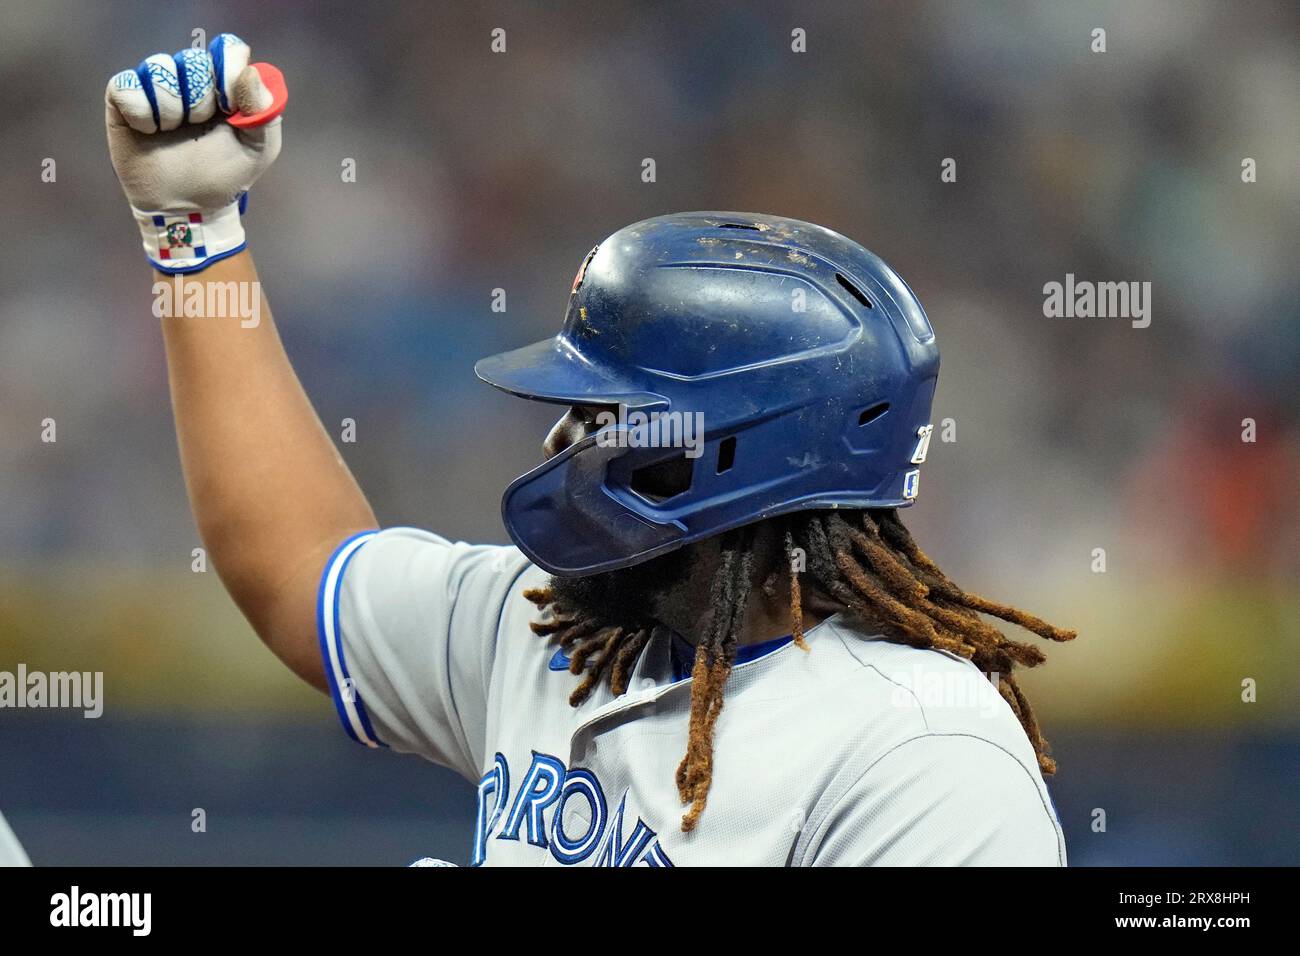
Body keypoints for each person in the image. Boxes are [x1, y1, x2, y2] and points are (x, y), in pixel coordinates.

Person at [105, 33, 1074, 866]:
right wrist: (196, 232)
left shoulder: (921, 746)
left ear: (733, 453)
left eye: (608, 412)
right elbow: (295, 565)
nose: (562, 438)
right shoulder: (559, 633)